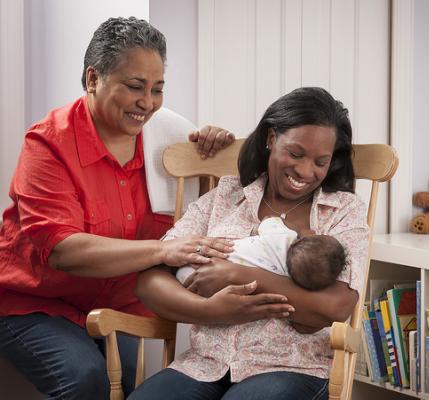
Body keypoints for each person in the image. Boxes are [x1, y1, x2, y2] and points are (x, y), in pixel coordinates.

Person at [0, 17, 292, 400]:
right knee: (88, 378)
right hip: (34, 302)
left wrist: (214, 148)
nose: (148, 103)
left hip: (117, 304)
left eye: (157, 89)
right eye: (135, 87)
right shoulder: (50, 144)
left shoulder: (168, 143)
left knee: (132, 391)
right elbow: (63, 251)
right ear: (93, 79)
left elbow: (225, 204)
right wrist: (162, 250)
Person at [129, 87, 370, 400]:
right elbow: (150, 280)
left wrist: (235, 275)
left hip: (292, 368)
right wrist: (210, 310)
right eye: (295, 154)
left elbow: (335, 306)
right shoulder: (226, 197)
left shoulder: (341, 211)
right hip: (204, 364)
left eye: (320, 162)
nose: (305, 171)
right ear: (271, 138)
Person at [176, 216, 348, 291]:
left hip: (214, 252)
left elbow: (268, 220)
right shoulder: (284, 276)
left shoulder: (284, 235)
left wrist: (296, 228)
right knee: (187, 277)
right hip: (214, 279)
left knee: (183, 269)